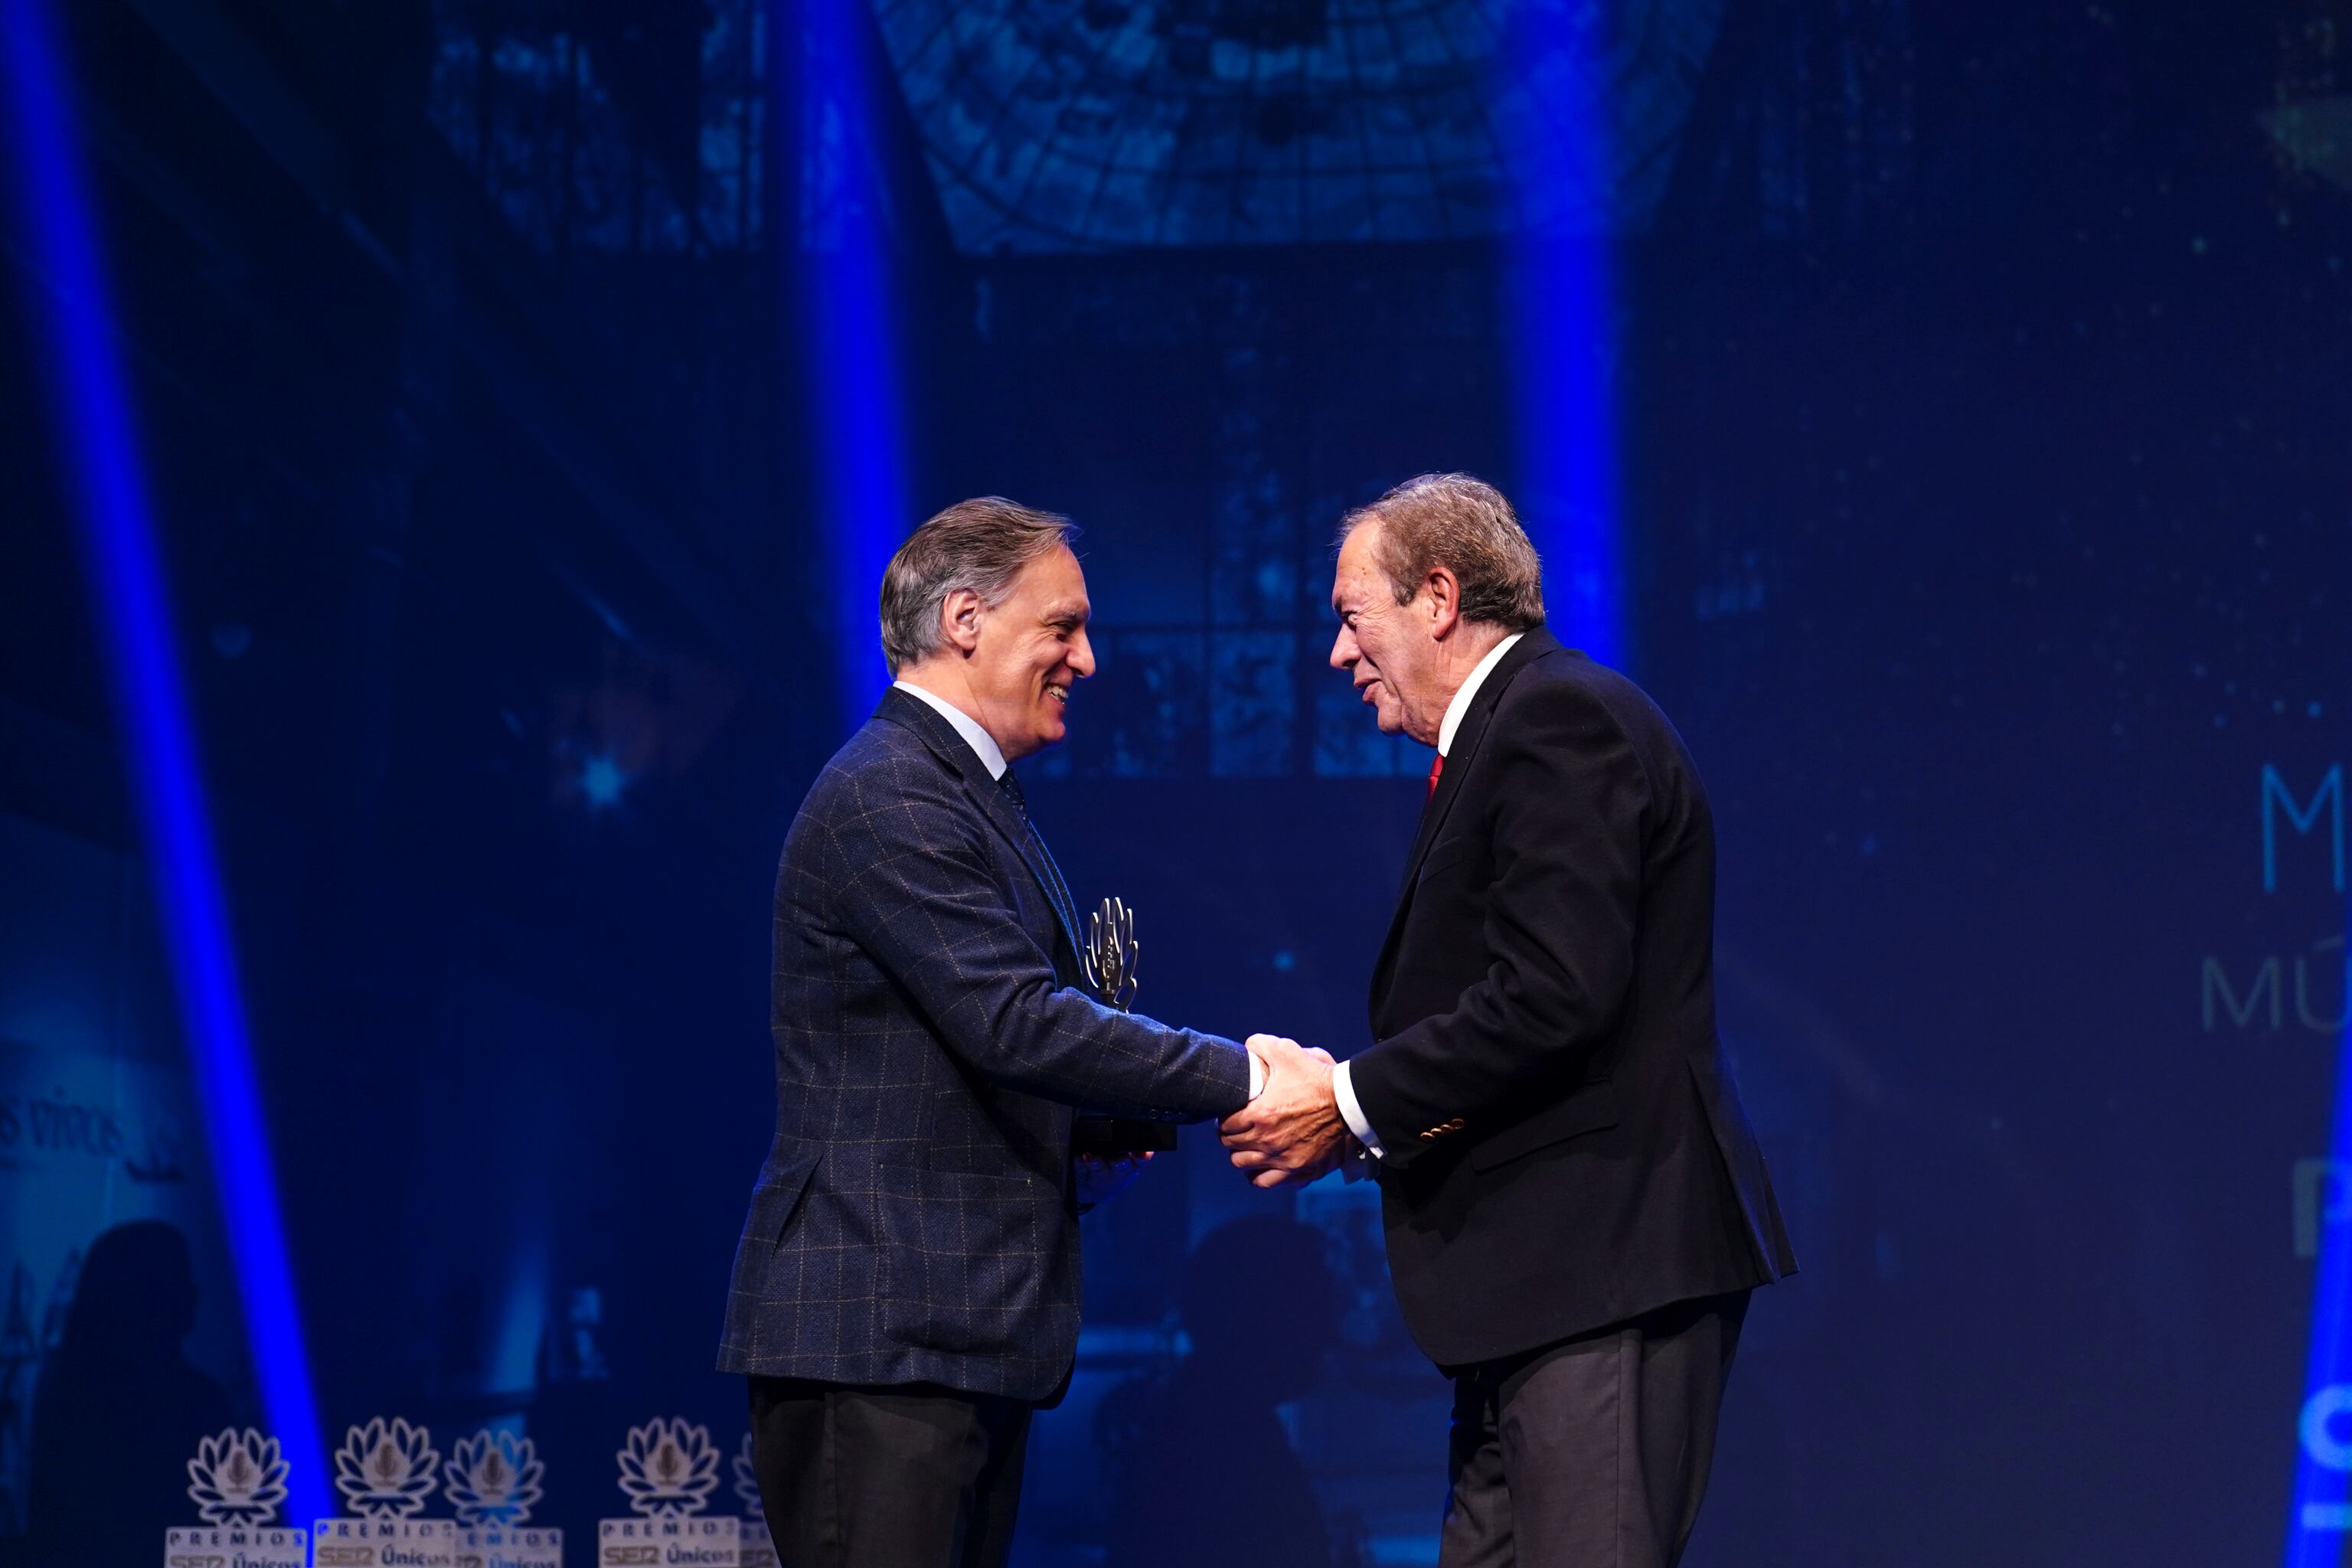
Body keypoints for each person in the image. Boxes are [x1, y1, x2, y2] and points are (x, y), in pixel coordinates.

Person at [1221, 474, 1798, 1568]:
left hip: (1605, 1269)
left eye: (1353, 618)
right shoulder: (1507, 733)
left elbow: (1555, 995)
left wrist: (1347, 1101)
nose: (1341, 657)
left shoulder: (1556, 718)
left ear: (1438, 597)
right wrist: (1366, 1107)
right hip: (1539, 1290)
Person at [718, 496, 1299, 1568]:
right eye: (1064, 627)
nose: (1089, 657)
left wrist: (1090, 1143)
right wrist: (1247, 1073)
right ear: (967, 619)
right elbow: (1015, 1023)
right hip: (882, 1338)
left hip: (954, 1335)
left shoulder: (969, 797)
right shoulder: (889, 794)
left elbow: (961, 1052)